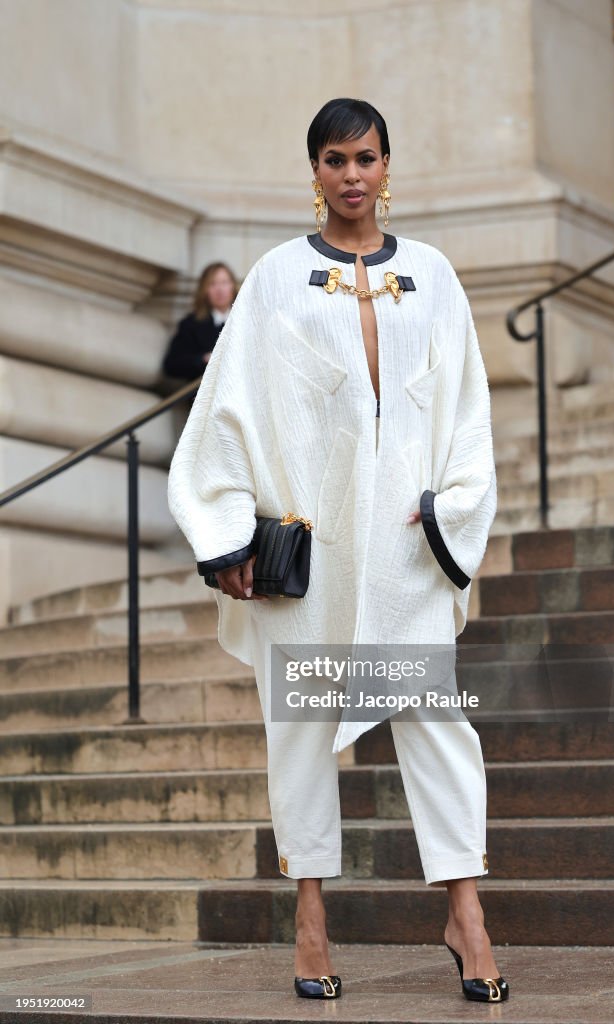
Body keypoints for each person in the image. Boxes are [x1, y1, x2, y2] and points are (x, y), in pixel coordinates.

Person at [167, 98, 508, 1004]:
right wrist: (229, 533)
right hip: (311, 549)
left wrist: (452, 510)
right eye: (333, 159)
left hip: (404, 544)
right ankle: (310, 916)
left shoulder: (432, 276)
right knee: (301, 730)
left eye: (365, 157)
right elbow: (225, 414)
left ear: (386, 164)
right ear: (312, 170)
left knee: (436, 721)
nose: (351, 175)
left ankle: (465, 912)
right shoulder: (276, 278)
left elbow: (467, 412)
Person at [162, 261, 238, 381]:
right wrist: (203, 359)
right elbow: (171, 365)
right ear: (204, 290)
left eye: (224, 282)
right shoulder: (190, 325)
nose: (220, 290)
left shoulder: (247, 321)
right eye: (212, 284)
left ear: (233, 286)